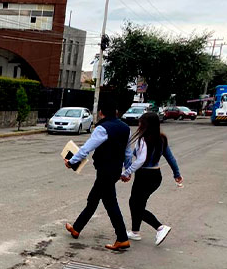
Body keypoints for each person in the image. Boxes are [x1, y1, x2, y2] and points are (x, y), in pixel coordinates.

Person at [64, 98, 131, 251]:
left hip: (105, 171)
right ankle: (76, 228)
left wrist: (72, 162)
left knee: (110, 204)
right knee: (94, 200)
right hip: (114, 171)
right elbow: (127, 153)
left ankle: (122, 238)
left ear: (101, 113)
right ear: (116, 112)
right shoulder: (125, 128)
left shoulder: (103, 128)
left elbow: (86, 149)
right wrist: (127, 171)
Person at [120, 112, 183, 246]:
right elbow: (170, 157)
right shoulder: (161, 138)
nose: (139, 124)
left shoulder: (143, 139)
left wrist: (127, 171)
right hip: (156, 176)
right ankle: (135, 231)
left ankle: (160, 227)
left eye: (141, 122)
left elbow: (141, 160)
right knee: (137, 203)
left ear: (146, 125)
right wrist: (177, 174)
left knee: (136, 205)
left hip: (144, 176)